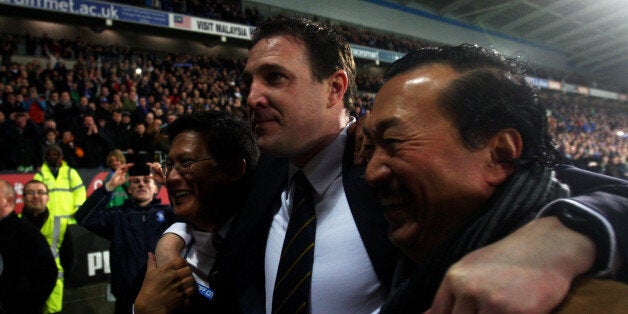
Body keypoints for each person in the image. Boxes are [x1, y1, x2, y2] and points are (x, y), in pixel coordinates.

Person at [159, 18, 628, 313]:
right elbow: (199, 213)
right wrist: (169, 243)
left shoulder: (390, 175)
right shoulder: (264, 174)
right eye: (249, 80)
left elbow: (555, 179)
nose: (252, 96)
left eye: (275, 78)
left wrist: (562, 236)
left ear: (335, 87)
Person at [360, 44, 628, 313]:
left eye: (394, 141)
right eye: (370, 146)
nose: (371, 173)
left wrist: (570, 231)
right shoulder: (422, 236)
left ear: (500, 153)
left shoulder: (591, 296)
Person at [134, 110, 260, 313]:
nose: (171, 178)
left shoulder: (273, 245)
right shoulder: (159, 263)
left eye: (186, 163)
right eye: (169, 165)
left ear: (234, 168)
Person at [74, 162, 175, 314]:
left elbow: (193, 214)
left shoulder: (168, 214)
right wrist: (109, 186)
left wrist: (169, 186)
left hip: (163, 294)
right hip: (126, 298)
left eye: (147, 181)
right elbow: (83, 218)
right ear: (128, 188)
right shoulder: (117, 216)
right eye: (135, 181)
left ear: (156, 188)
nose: (141, 184)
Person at [0, 179, 57, 314]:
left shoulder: (25, 233)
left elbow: (47, 275)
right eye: (30, 193)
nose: (36, 196)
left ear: (8, 201)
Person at [20, 180, 73, 313]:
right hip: (22, 293)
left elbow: (69, 258)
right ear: (23, 198)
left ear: (47, 197)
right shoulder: (14, 225)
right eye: (30, 193)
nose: (36, 196)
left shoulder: (60, 224)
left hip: (52, 294)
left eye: (40, 192)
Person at [34, 144, 86, 223]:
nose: (52, 157)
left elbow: (80, 192)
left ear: (60, 157)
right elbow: (36, 197)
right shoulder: (40, 175)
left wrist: (78, 209)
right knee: (56, 236)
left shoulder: (70, 172)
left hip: (71, 219)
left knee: (73, 235)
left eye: (55, 154)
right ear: (46, 157)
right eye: (50, 155)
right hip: (52, 220)